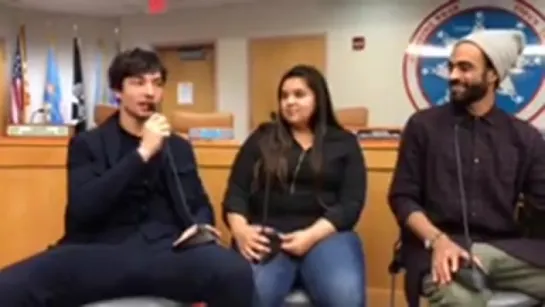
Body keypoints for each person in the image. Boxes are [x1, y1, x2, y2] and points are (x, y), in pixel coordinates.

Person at [0, 48, 254, 307]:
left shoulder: (178, 147)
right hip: (100, 252)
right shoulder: (88, 143)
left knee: (235, 272)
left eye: (157, 83)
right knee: (8, 287)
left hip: (166, 251)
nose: (150, 92)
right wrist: (142, 153)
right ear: (118, 91)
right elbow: (82, 209)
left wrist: (199, 227)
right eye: (138, 82)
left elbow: (199, 204)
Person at [388, 29, 545, 307]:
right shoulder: (422, 127)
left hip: (503, 252)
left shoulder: (525, 138)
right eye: (451, 67)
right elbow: (402, 197)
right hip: (436, 248)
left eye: (465, 68)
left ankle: (481, 257)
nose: (453, 76)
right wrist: (438, 240)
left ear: (493, 75)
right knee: (463, 301)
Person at [223, 64, 367, 307]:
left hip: (325, 235)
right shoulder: (262, 138)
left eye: (299, 95)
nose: (289, 102)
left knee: (346, 299)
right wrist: (241, 231)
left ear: (318, 98)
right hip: (267, 235)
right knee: (252, 296)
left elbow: (351, 204)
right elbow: (236, 192)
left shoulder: (344, 142)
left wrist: (310, 237)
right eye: (284, 96)